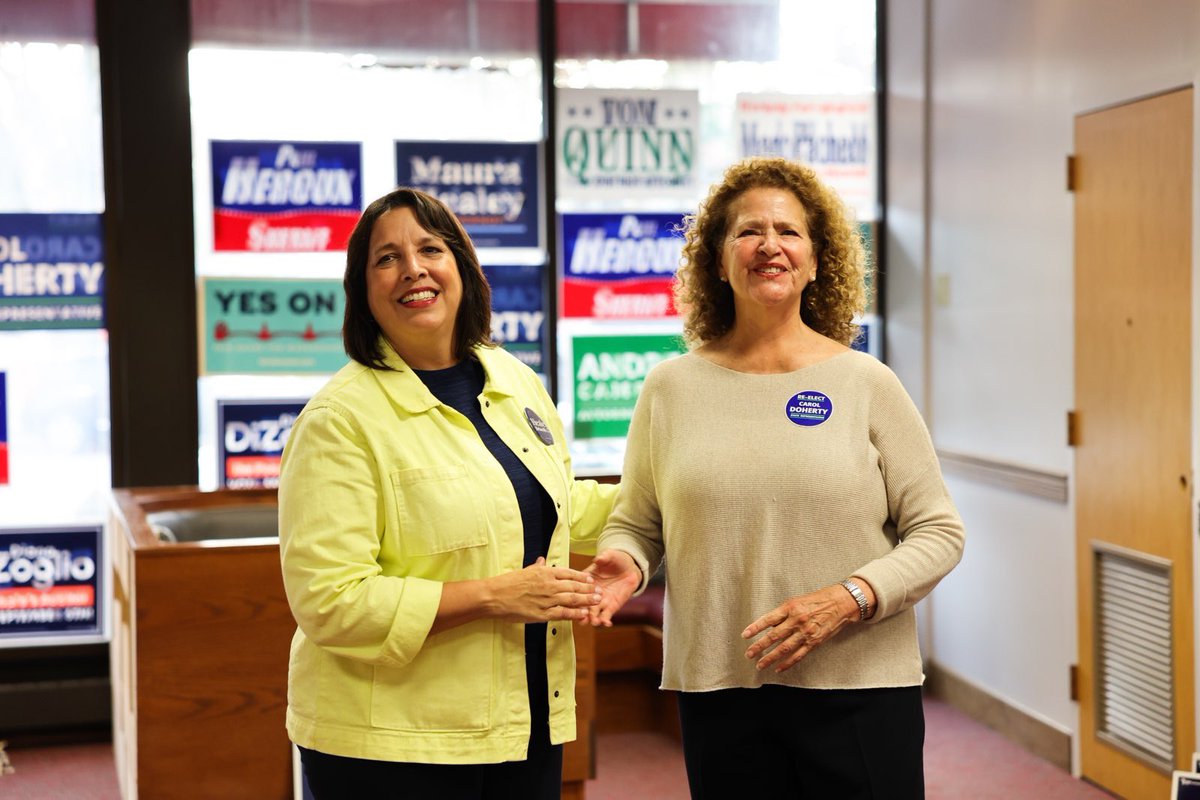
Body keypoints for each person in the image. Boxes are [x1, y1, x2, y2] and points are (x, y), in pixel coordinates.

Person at [586, 156, 966, 798]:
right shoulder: (670, 388)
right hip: (721, 687)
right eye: (748, 231)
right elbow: (638, 520)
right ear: (717, 258)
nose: (770, 246)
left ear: (817, 260)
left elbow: (939, 532)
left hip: (859, 688)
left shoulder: (866, 383)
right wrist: (627, 558)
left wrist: (849, 598)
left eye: (789, 232)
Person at [278, 187, 618, 799]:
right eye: (387, 258)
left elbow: (555, 505)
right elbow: (330, 601)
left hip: (524, 724)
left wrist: (676, 495)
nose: (413, 269)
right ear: (363, 291)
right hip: (389, 748)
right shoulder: (339, 419)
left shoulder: (512, 378)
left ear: (461, 267)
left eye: (430, 249)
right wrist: (495, 595)